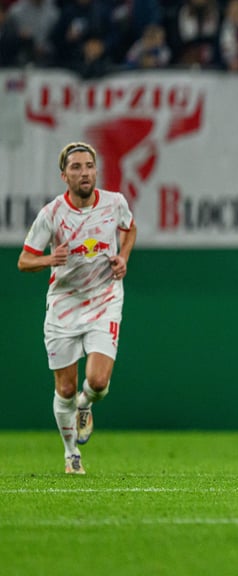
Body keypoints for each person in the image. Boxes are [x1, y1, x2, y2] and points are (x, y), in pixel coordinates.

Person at [17, 141, 137, 475]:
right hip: (64, 305)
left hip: (104, 299)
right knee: (65, 388)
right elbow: (24, 261)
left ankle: (85, 406)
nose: (84, 173)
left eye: (88, 166)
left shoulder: (114, 203)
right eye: (76, 168)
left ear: (96, 170)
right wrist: (48, 259)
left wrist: (123, 258)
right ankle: (72, 454)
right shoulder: (52, 214)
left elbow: (129, 229)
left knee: (97, 382)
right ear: (64, 175)